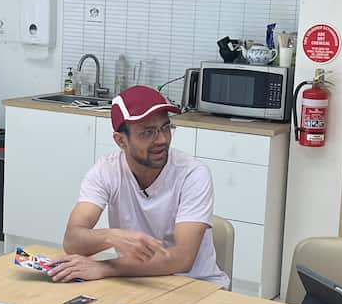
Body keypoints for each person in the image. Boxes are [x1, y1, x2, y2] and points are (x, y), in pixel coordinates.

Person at [48, 84, 229, 286]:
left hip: (197, 285)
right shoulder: (106, 170)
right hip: (136, 281)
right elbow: (72, 241)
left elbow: (182, 259)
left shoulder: (193, 173)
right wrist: (111, 237)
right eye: (148, 132)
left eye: (166, 128)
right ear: (120, 141)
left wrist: (106, 267)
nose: (162, 139)